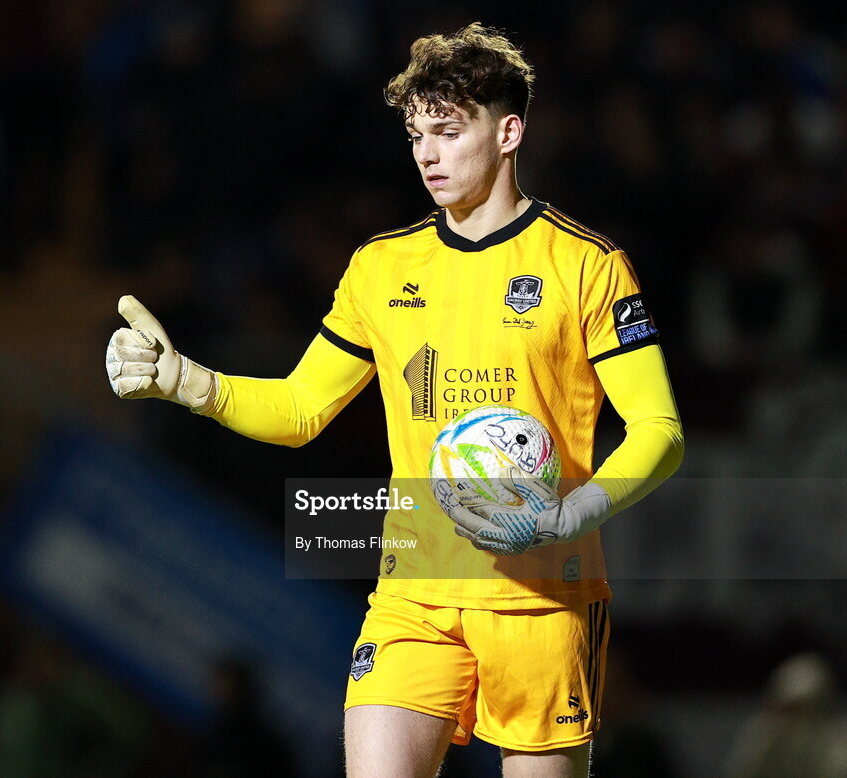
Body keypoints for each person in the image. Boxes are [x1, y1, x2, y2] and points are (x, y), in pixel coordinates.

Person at [105, 22, 684, 778]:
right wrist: (186, 382)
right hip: (412, 595)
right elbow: (299, 409)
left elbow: (660, 430)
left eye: (448, 130)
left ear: (509, 131)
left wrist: (578, 508)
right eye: (417, 134)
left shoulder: (588, 267)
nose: (428, 154)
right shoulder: (381, 269)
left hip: (542, 598)